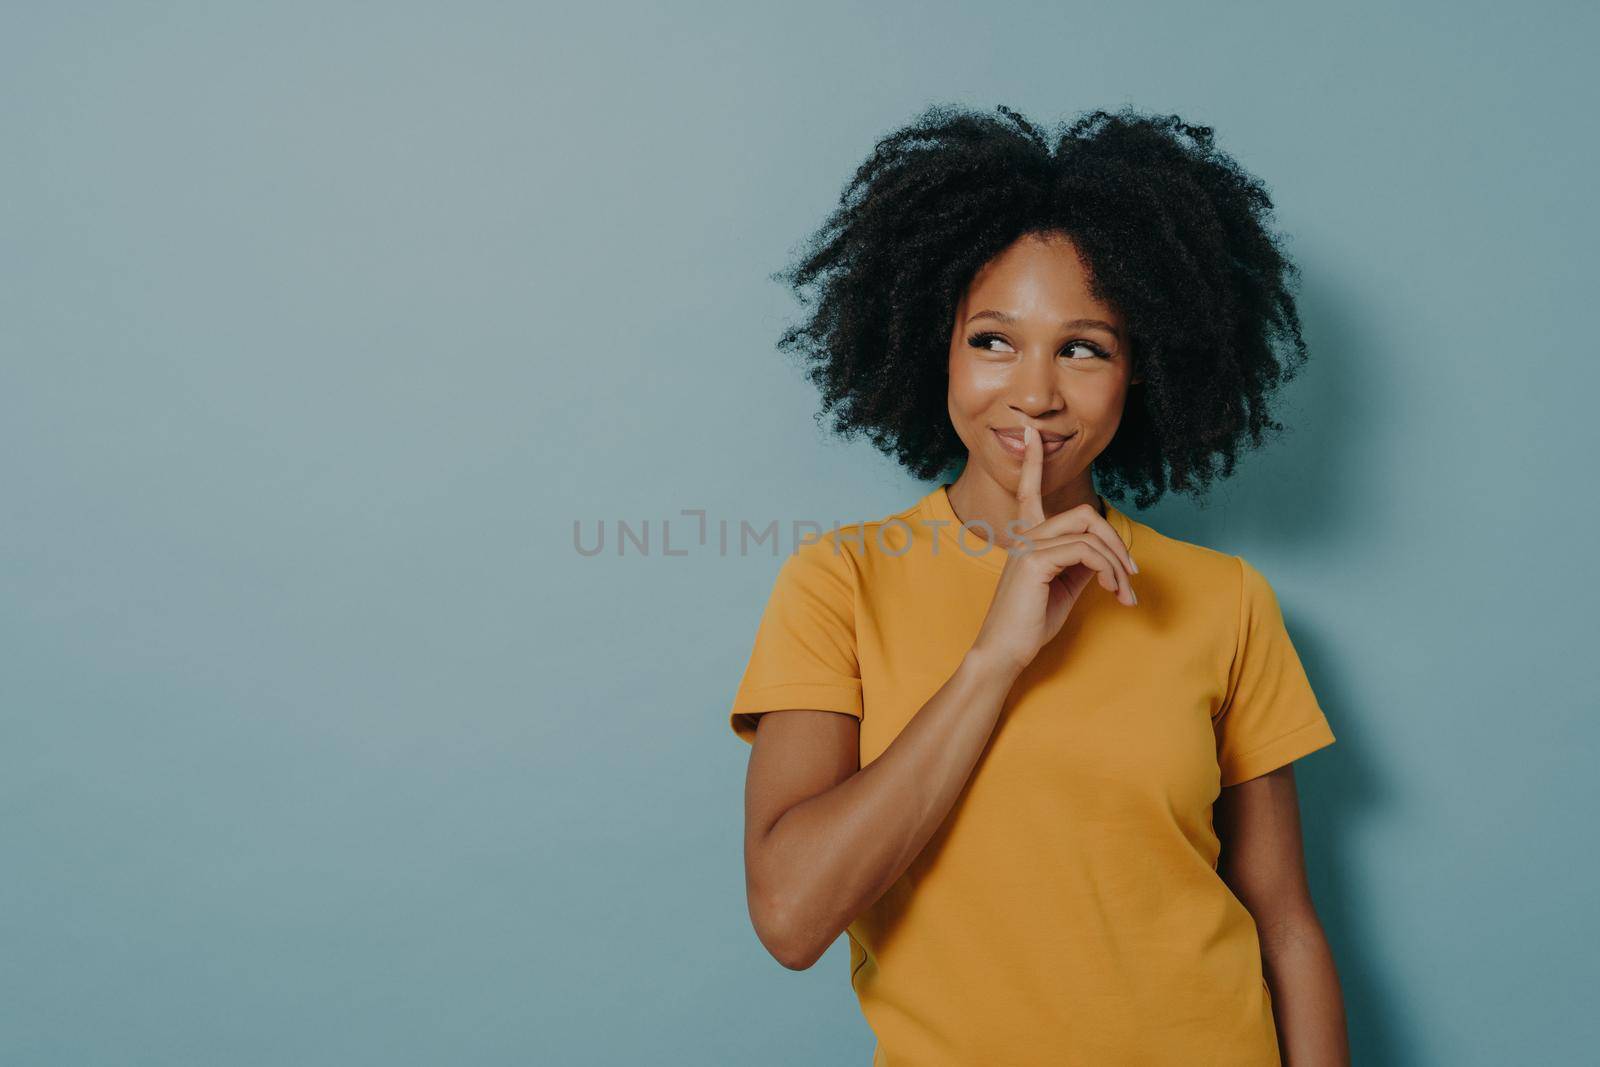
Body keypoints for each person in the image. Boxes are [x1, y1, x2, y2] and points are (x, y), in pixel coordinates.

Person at [728, 104, 1350, 1066]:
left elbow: (1287, 924)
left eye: (1084, 346)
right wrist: (995, 658)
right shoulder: (839, 584)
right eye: (992, 340)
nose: (1035, 391)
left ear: (1140, 371)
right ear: (931, 343)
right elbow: (791, 915)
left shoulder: (1224, 599)